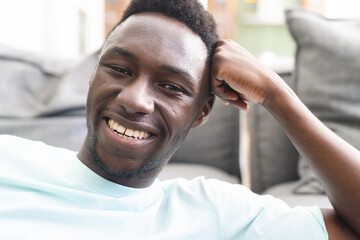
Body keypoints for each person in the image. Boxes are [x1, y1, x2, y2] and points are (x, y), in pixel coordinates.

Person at [0, 0, 359, 239]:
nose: (135, 100)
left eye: (170, 87)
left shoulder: (219, 213)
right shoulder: (9, 159)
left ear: (202, 112)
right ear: (92, 75)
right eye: (120, 69)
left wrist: (275, 95)